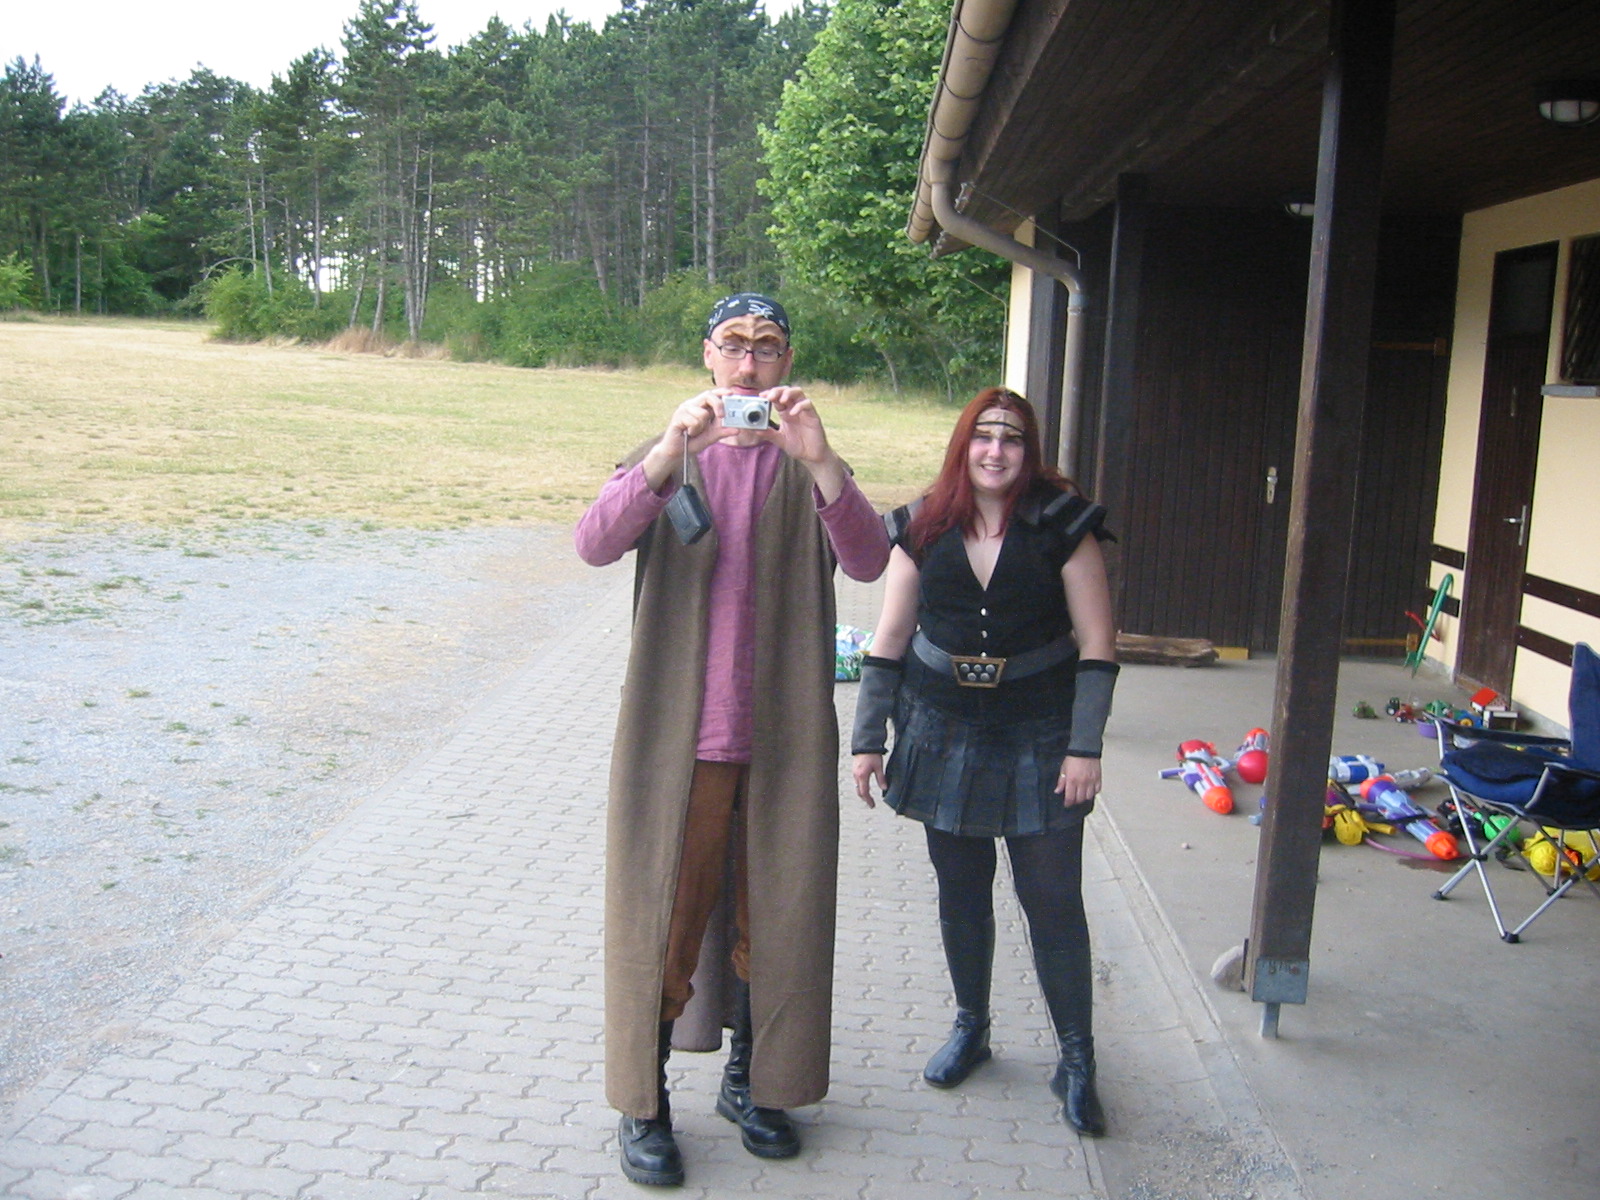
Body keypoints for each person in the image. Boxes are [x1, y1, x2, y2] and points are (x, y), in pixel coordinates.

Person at [574, 293, 890, 1187]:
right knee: (663, 918)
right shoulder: (667, 455)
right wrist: (668, 455)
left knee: (779, 916)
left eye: (768, 347)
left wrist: (821, 462)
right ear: (707, 356)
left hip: (783, 741)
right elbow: (593, 544)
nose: (750, 364)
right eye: (734, 346)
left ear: (787, 363)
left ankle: (756, 1084)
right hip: (682, 743)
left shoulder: (808, 463)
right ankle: (644, 1104)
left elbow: (869, 561)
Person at [850, 386, 1118, 1136]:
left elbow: (1098, 644)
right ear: (963, 445)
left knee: (1052, 900)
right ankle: (972, 1027)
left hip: (1042, 736)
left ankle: (1078, 1060)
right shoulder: (921, 526)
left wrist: (1085, 747)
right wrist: (868, 740)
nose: (996, 450)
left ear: (1029, 452)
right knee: (961, 893)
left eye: (1012, 438)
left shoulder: (1065, 527)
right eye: (984, 436)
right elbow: (889, 640)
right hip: (940, 732)